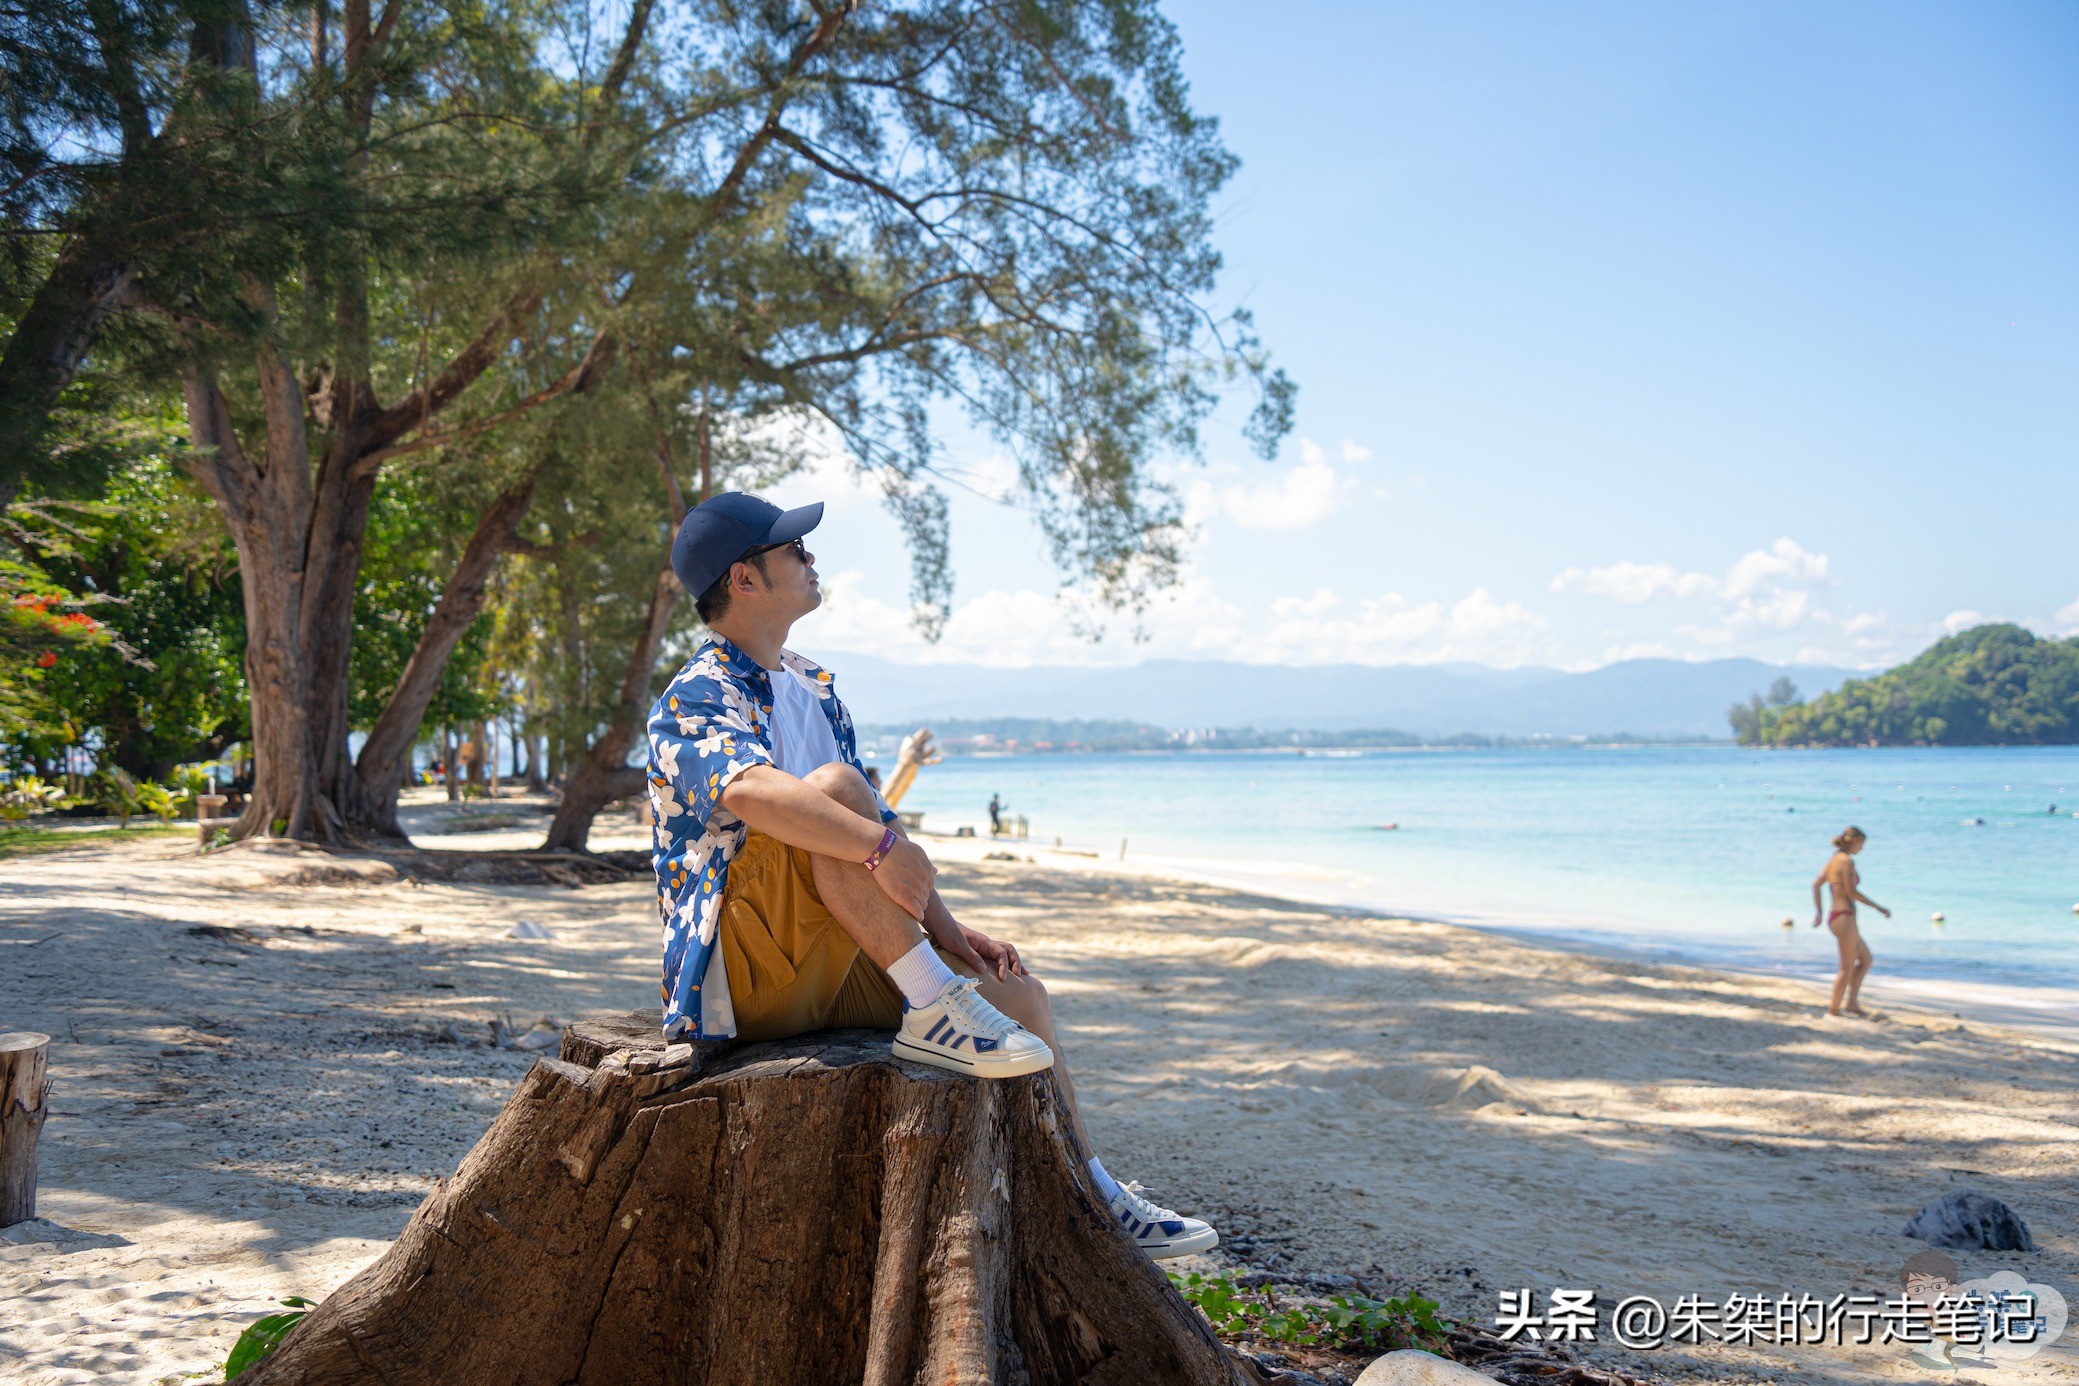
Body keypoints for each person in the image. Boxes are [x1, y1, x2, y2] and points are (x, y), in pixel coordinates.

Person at [645, 492, 1216, 1260]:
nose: (811, 558)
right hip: (742, 977)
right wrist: (878, 849)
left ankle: (1095, 1194)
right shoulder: (695, 693)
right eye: (792, 550)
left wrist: (946, 931)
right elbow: (752, 792)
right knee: (837, 790)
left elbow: (882, 826)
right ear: (743, 580)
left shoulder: (813, 685)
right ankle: (933, 1005)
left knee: (1017, 995)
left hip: (823, 948)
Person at [1811, 825, 1889, 1017]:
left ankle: (1851, 1004)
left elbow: (1816, 885)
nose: (1861, 849)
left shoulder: (1833, 859)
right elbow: (1851, 892)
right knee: (1845, 968)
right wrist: (1879, 907)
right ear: (1854, 841)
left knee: (1865, 960)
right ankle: (1834, 1009)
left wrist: (1819, 912)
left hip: (1836, 916)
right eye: (1861, 845)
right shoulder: (1846, 861)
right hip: (1844, 917)